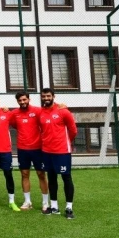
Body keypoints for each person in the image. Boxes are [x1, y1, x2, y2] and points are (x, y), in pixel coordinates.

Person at [39, 88, 78, 219]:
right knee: (51, 177)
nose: (46, 98)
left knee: (66, 177)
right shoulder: (41, 113)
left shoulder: (63, 111)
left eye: (48, 96)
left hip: (62, 151)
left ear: (53, 96)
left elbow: (73, 130)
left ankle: (69, 207)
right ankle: (54, 206)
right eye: (43, 96)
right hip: (46, 151)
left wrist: (65, 142)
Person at [10, 92, 48, 211]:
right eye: (20, 100)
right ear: (17, 102)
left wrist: (61, 106)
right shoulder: (15, 113)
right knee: (24, 174)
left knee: (41, 174)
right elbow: (14, 125)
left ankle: (45, 202)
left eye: (24, 99)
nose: (22, 102)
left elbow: (50, 111)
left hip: (38, 149)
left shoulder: (38, 111)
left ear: (28, 99)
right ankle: (27, 201)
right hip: (22, 149)